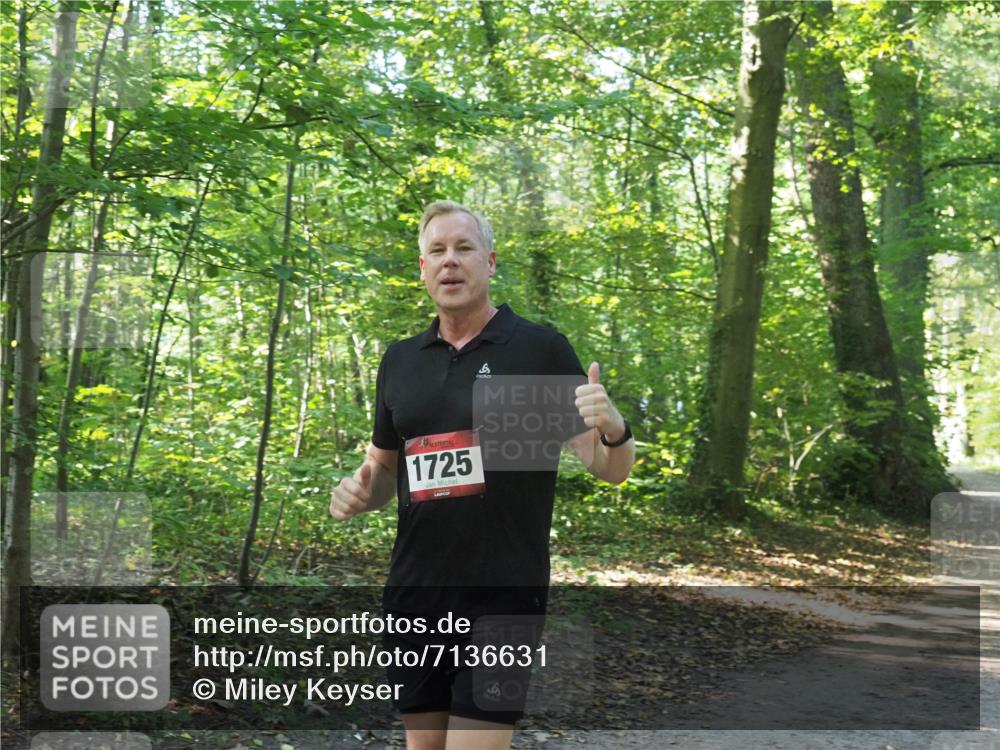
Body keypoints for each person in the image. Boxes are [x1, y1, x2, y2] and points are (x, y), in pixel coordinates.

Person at [330, 200, 635, 750]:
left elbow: (607, 467)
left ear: (490, 263)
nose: (450, 261)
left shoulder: (538, 349)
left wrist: (613, 427)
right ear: (422, 269)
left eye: (464, 248)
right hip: (414, 595)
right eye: (437, 251)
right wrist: (357, 493)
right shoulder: (401, 361)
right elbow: (381, 472)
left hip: (503, 598)